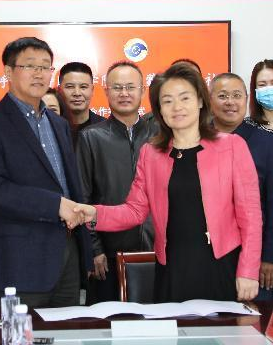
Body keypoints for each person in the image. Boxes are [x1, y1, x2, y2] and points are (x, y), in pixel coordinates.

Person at [74, 63, 262, 302]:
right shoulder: (151, 153)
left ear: (200, 101)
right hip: (171, 265)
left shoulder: (232, 146)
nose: (177, 107)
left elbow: (251, 217)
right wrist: (92, 214)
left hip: (221, 264)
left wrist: (248, 271)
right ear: (159, 109)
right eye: (167, 101)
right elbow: (134, 211)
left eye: (185, 98)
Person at [0, 37, 92, 308]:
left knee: (67, 330)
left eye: (45, 67)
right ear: (8, 72)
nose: (39, 73)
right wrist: (55, 205)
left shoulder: (58, 123)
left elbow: (69, 185)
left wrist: (86, 251)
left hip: (67, 258)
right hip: (18, 262)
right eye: (30, 65)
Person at [77, 61, 155, 303]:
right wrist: (94, 249)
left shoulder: (159, 137)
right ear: (106, 91)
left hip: (157, 251)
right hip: (108, 254)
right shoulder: (91, 137)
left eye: (130, 87)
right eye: (117, 87)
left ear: (142, 90)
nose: (124, 93)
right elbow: (82, 198)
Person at [209, 73, 273, 300]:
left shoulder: (265, 141)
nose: (230, 102)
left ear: (246, 99)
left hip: (256, 256)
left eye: (237, 95)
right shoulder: (198, 139)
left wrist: (271, 257)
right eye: (222, 96)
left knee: (253, 317)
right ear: (209, 100)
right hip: (210, 255)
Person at [58, 62, 104, 133]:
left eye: (83, 87)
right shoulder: (51, 127)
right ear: (59, 90)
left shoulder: (106, 129)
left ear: (92, 90)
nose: (77, 93)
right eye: (70, 87)